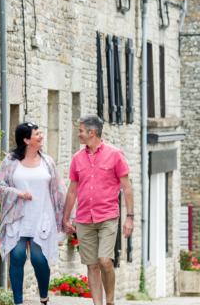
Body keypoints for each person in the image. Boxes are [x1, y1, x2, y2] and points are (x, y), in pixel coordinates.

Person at [62, 115, 134, 305]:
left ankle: (110, 301)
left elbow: (127, 187)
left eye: (81, 131)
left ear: (91, 133)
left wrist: (130, 218)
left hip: (108, 216)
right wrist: (66, 218)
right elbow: (72, 190)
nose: (79, 134)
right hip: (84, 218)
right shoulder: (77, 159)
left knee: (104, 260)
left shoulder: (115, 154)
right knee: (92, 265)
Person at [0, 122, 66, 305]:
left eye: (41, 133)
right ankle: (18, 301)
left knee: (38, 259)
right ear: (26, 140)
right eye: (37, 134)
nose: (41, 136)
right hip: (17, 217)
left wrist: (65, 218)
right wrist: (18, 193)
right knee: (17, 256)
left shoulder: (47, 162)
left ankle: (43, 297)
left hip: (42, 217)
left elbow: (59, 190)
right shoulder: (10, 162)